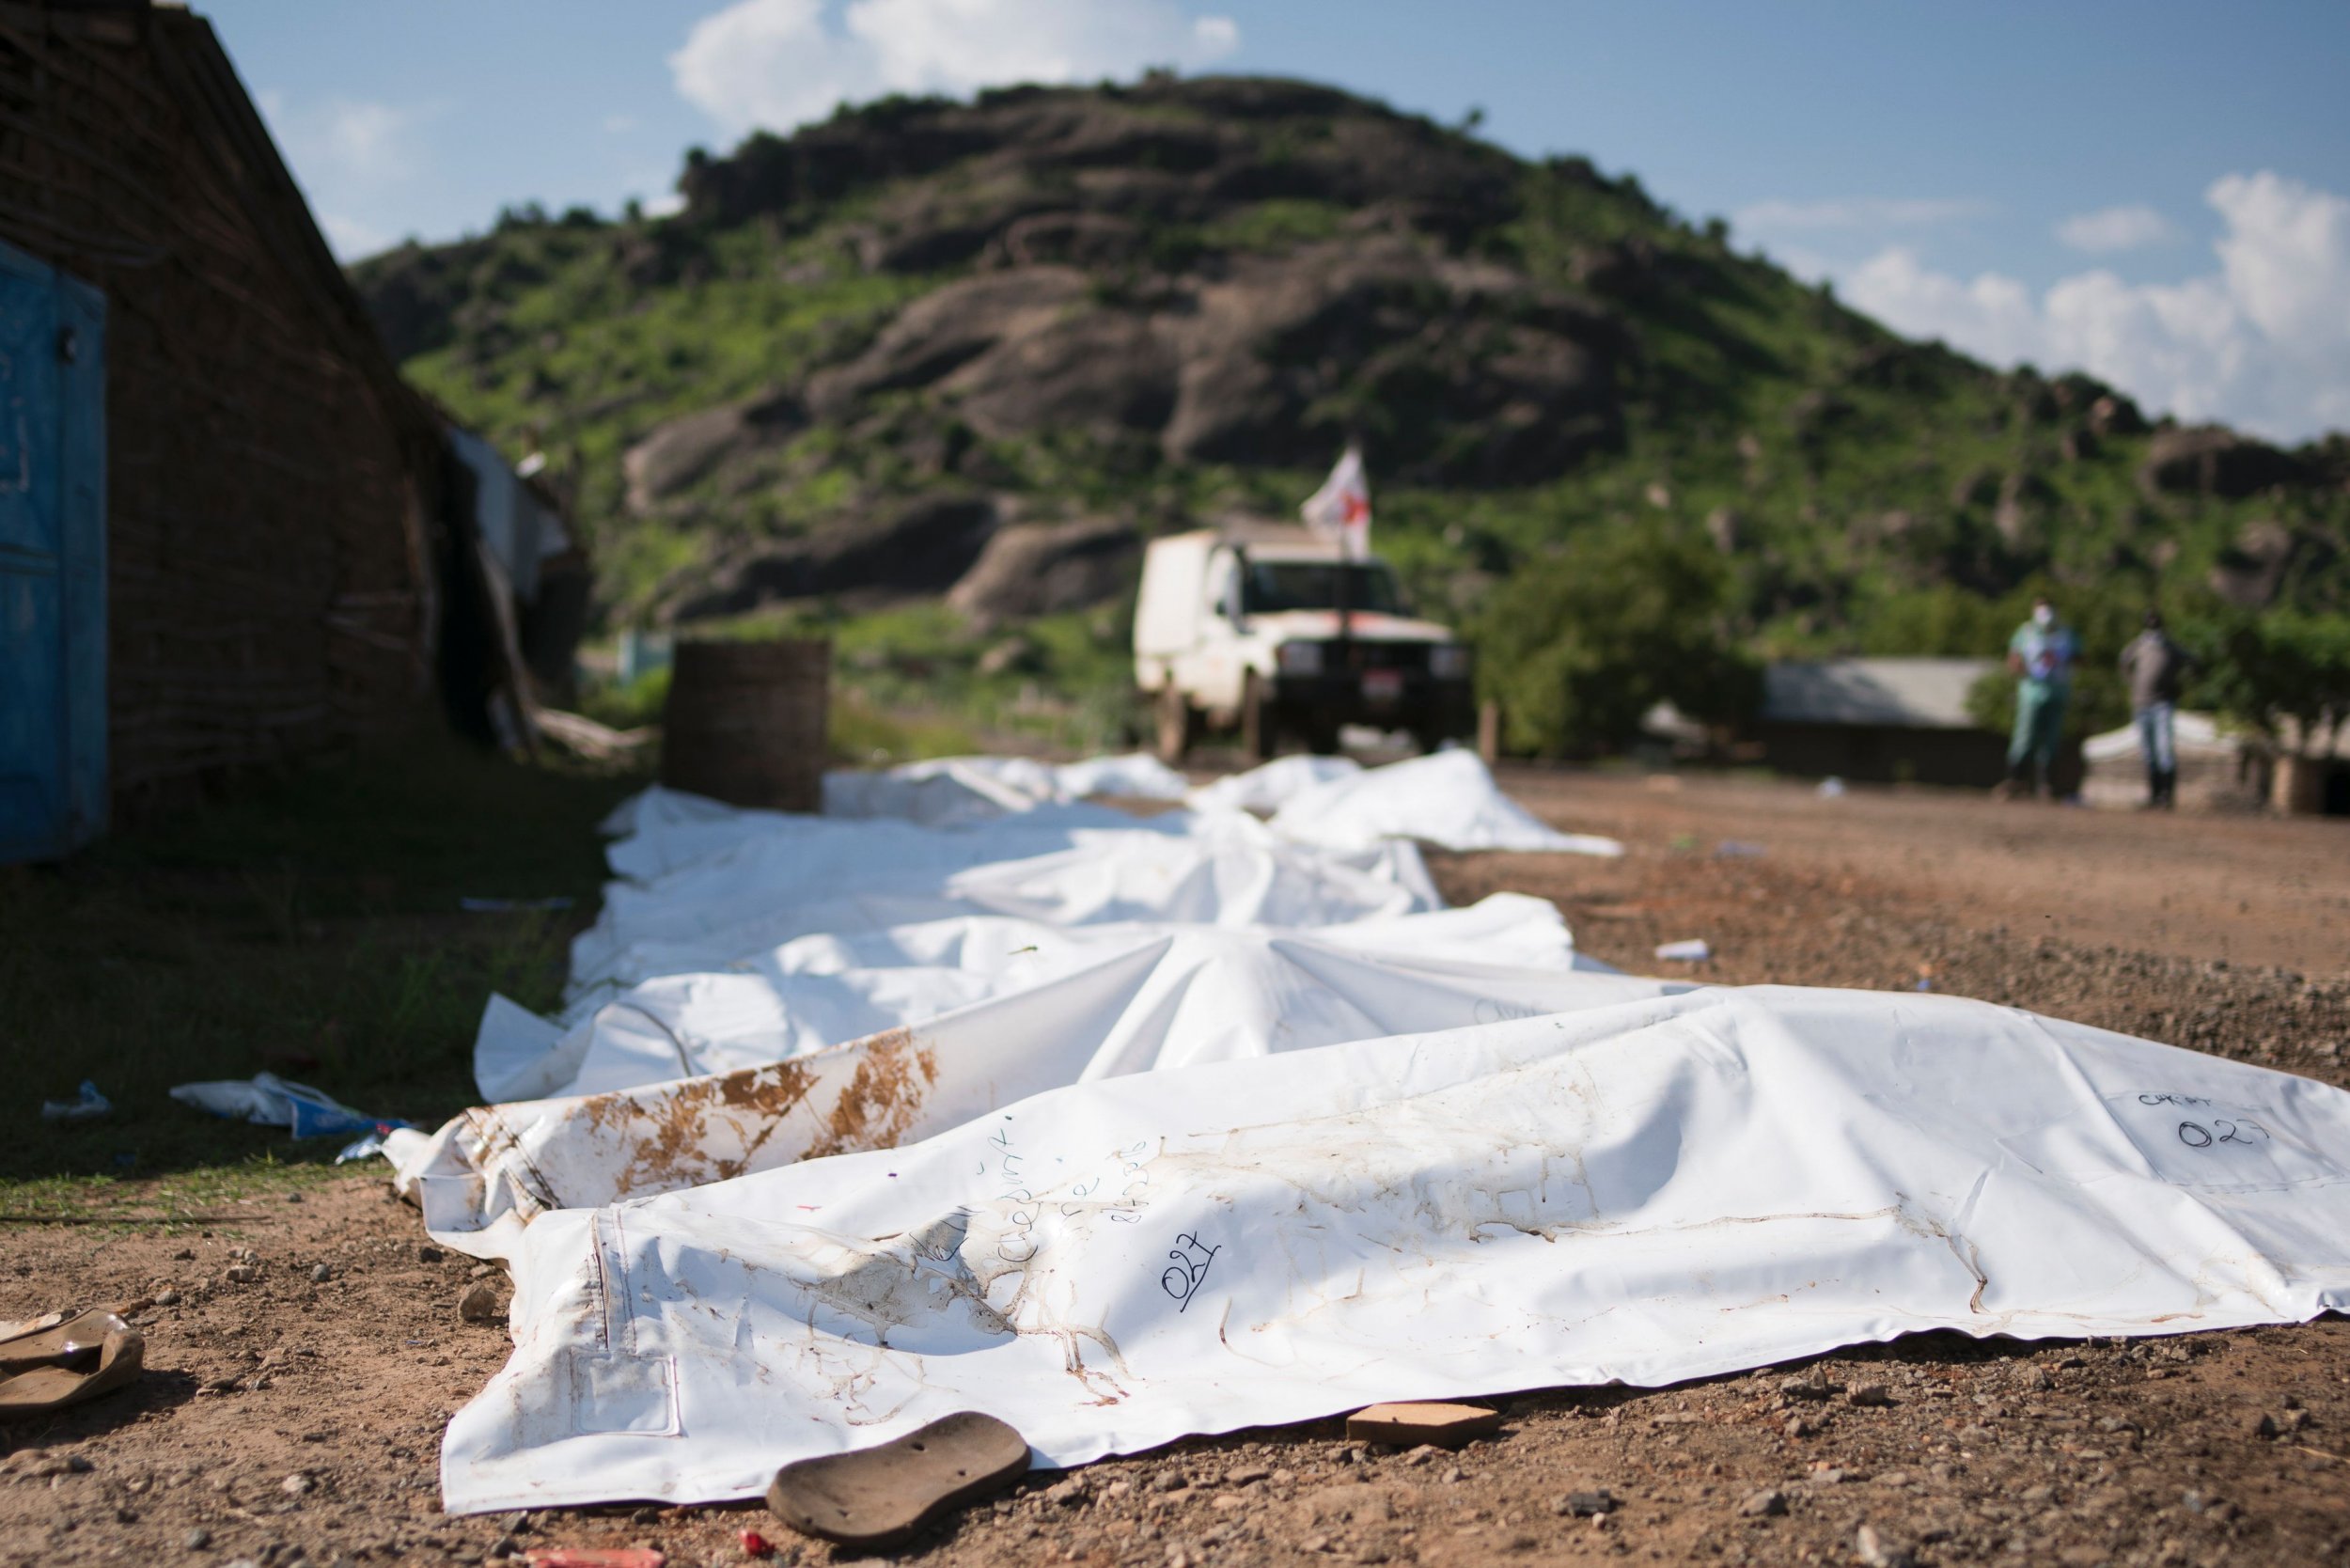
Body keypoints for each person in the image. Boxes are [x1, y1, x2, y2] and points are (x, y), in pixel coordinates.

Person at [2001, 596, 2077, 798]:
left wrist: (2063, 662)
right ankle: (2016, 781)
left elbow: (2080, 657)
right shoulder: (2026, 632)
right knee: (2024, 738)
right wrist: (2022, 669)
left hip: (2058, 693)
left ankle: (2047, 785)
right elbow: (2013, 659)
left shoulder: (2066, 633)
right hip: (2031, 693)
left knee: (2052, 742)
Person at [2119, 609, 2193, 808]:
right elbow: (2123, 663)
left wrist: (2177, 682)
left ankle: (2167, 795)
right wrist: (2133, 684)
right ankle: (2154, 794)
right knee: (2148, 752)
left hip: (2163, 703)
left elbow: (2190, 661)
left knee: (2164, 749)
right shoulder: (2139, 645)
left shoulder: (2170, 646)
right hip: (2141, 704)